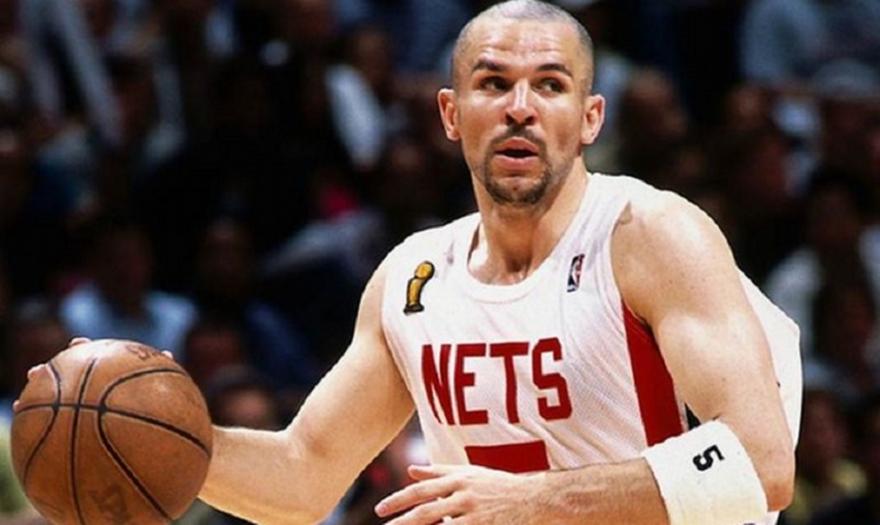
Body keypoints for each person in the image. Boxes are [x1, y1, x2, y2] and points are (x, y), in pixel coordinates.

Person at [19, 1, 802, 524]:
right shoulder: (414, 278)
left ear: (590, 117)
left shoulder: (649, 234)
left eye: (550, 86)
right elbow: (305, 472)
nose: (520, 107)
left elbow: (758, 463)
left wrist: (531, 502)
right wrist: (167, 438)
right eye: (493, 84)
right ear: (451, 115)